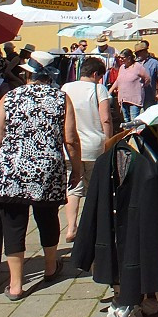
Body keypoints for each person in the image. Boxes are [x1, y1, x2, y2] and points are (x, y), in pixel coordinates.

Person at [0, 52, 80, 301]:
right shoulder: (61, 98)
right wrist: (77, 169)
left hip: (11, 169)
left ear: (27, 73)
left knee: (13, 224)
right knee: (47, 217)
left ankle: (16, 284)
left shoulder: (10, 97)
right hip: (47, 169)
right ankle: (50, 267)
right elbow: (70, 139)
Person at [60, 57, 112, 243]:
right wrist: (109, 142)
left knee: (73, 188)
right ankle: (91, 227)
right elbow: (105, 118)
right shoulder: (99, 89)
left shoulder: (66, 88)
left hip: (70, 145)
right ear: (96, 74)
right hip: (94, 145)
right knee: (94, 189)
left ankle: (71, 227)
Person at [108, 48, 149, 123]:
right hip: (123, 99)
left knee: (134, 121)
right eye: (120, 57)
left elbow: (147, 78)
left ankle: (134, 134)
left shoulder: (138, 67)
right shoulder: (122, 67)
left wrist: (141, 87)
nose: (120, 59)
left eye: (123, 58)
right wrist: (110, 91)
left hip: (134, 100)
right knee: (126, 121)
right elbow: (118, 80)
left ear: (129, 58)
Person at [133, 40, 158, 108]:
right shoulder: (134, 63)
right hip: (136, 95)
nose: (137, 55)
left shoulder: (154, 63)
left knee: (149, 115)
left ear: (144, 51)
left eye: (138, 53)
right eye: (136, 53)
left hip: (149, 95)